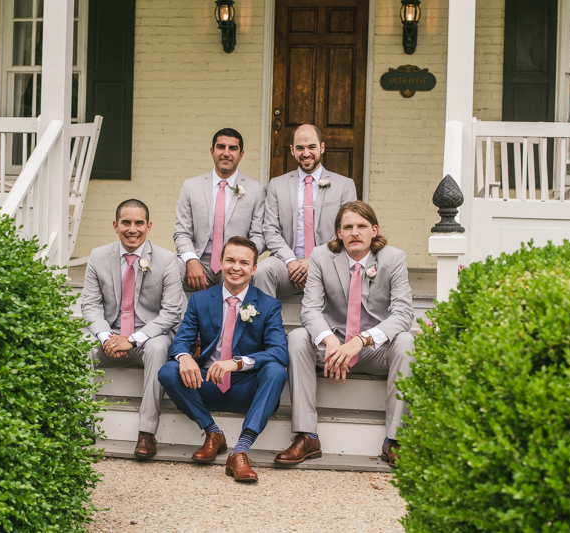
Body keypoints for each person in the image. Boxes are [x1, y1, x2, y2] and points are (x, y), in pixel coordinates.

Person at [275, 201, 415, 468]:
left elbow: (403, 315)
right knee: (297, 337)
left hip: (373, 348)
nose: (355, 232)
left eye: (362, 226)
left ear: (374, 230)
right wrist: (329, 341)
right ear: (338, 232)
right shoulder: (320, 256)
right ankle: (307, 436)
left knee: (406, 341)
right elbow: (310, 310)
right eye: (347, 227)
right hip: (333, 348)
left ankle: (396, 440)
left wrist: (361, 341)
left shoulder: (393, 258)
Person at [158, 236, 288, 482]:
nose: (236, 267)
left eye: (243, 262)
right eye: (230, 260)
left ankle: (240, 451)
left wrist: (237, 362)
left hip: (246, 389)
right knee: (168, 370)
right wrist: (184, 356)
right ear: (220, 262)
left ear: (254, 268)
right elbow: (181, 341)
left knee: (276, 370)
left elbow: (280, 351)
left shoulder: (268, 305)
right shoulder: (200, 300)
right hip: (205, 384)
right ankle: (213, 432)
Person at [81, 199, 184, 459]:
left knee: (160, 348)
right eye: (126, 222)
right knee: (79, 347)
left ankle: (146, 433)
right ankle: (83, 423)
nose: (132, 229)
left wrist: (133, 339)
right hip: (112, 334)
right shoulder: (97, 256)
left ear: (149, 226)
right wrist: (107, 338)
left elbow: (171, 312)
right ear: (115, 226)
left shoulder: (168, 260)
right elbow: (90, 305)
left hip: (148, 336)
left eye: (139, 223)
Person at [253, 124, 357, 298]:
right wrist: (291, 261)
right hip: (288, 263)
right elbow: (270, 229)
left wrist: (315, 261)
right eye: (300, 148)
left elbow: (347, 230)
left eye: (311, 147)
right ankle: (267, 324)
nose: (306, 153)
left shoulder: (344, 185)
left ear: (322, 148)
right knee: (262, 271)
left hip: (329, 261)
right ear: (292, 150)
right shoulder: (277, 185)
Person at [173, 128, 267, 292]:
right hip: (200, 259)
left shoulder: (257, 190)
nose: (226, 153)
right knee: (169, 269)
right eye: (221, 147)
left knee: (259, 273)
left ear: (241, 154)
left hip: (236, 261)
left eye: (233, 148)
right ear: (212, 151)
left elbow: (259, 236)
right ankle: (180, 317)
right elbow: (181, 233)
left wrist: (239, 260)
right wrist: (191, 261)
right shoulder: (191, 186)